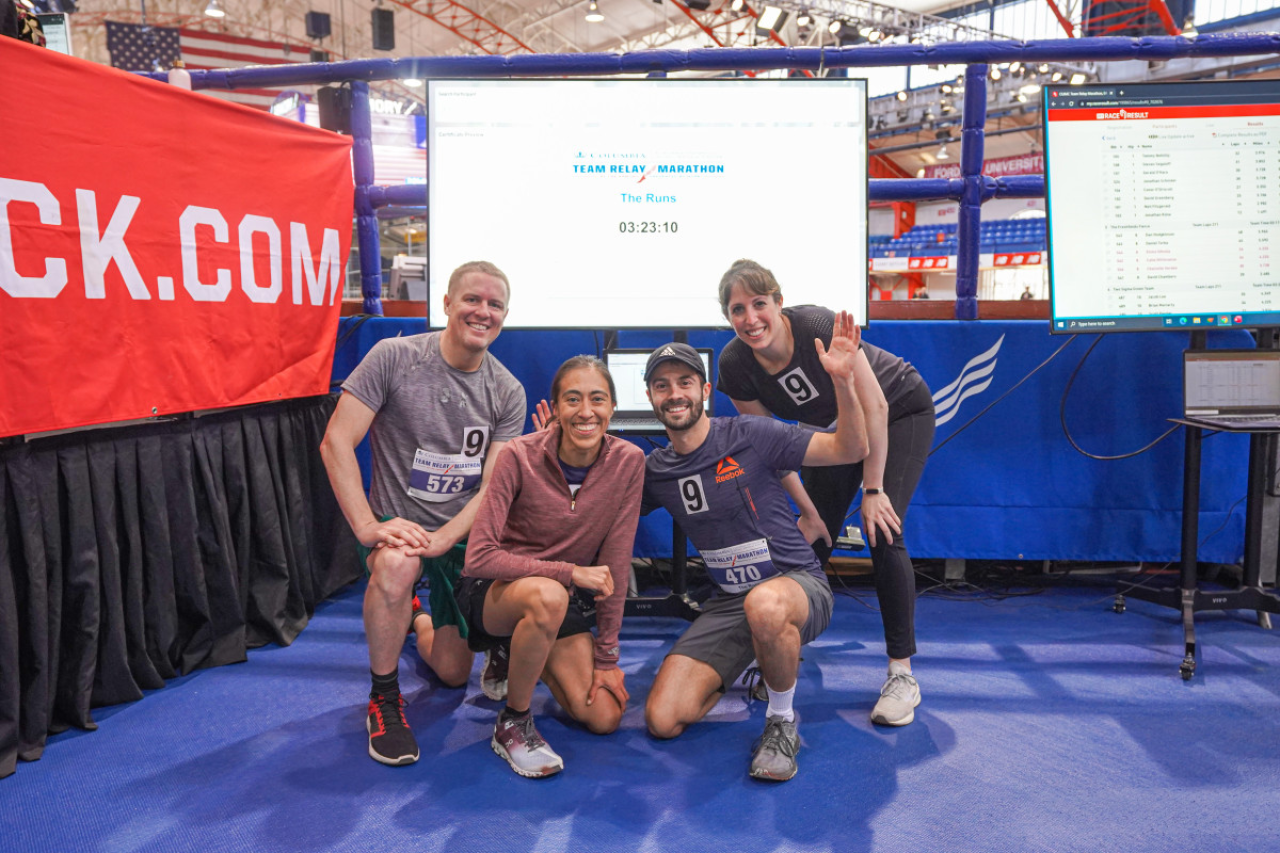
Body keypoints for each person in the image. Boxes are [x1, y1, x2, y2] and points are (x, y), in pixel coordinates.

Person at [320, 261, 526, 766]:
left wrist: (445, 539)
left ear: (504, 315)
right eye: (472, 300)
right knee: (396, 566)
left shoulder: (508, 391)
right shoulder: (394, 356)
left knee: (454, 673)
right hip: (400, 533)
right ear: (448, 304)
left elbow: (493, 488)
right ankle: (385, 698)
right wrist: (369, 528)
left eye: (494, 304)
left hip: (460, 539)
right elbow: (335, 443)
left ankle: (416, 616)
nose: (483, 311)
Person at [641, 326, 869, 783]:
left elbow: (851, 447)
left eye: (684, 382)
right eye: (662, 385)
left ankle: (782, 721)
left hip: (796, 584)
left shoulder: (751, 433)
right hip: (729, 603)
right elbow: (592, 502)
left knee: (765, 605)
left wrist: (844, 381)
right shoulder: (656, 471)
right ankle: (760, 654)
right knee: (663, 720)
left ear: (704, 390)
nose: (674, 394)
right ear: (649, 396)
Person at [714, 259, 936, 728]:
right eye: (737, 309)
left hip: (897, 410)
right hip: (838, 431)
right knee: (805, 537)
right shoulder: (735, 365)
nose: (750, 318)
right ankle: (772, 649)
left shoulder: (815, 325)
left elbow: (874, 406)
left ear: (779, 302)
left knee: (882, 530)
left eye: (759, 304)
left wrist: (873, 489)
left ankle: (902, 674)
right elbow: (769, 446)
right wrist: (809, 511)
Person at [455, 356, 645, 778]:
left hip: (557, 603)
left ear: (613, 407)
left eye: (598, 399)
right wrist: (570, 572)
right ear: (556, 408)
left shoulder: (629, 462)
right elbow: (478, 557)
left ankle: (515, 650)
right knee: (546, 594)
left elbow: (615, 560)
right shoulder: (517, 456)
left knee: (604, 716)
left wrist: (608, 656)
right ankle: (514, 721)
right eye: (572, 399)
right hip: (495, 590)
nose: (586, 411)